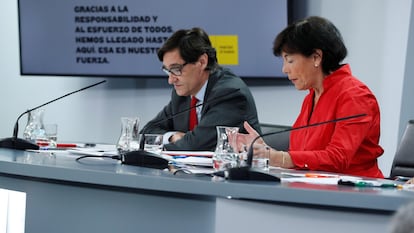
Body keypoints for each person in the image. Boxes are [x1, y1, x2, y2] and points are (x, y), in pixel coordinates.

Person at [234, 16, 384, 178]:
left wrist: (278, 157)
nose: (284, 69)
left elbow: (337, 158)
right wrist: (267, 152)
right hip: (311, 189)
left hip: (356, 193)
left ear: (316, 57)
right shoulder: (311, 97)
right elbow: (302, 156)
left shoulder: (355, 95)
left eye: (290, 60)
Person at [141, 27, 261, 151]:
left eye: (176, 69)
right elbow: (146, 132)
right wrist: (172, 136)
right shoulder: (183, 93)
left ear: (202, 62)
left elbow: (194, 145)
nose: (171, 80)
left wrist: (181, 140)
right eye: (168, 71)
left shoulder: (230, 93)